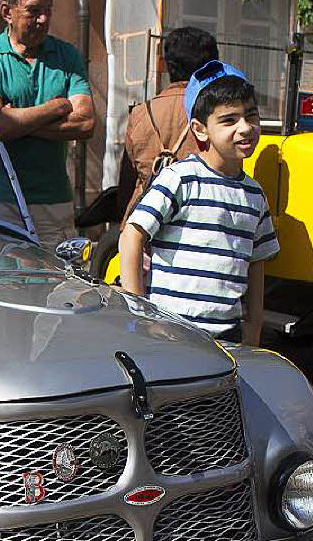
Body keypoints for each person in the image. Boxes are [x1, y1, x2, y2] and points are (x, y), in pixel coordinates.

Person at [118, 60, 278, 345]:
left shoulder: (255, 196)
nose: (245, 128)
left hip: (227, 338)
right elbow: (132, 234)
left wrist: (252, 334)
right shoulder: (180, 178)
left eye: (251, 116)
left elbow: (256, 266)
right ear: (200, 129)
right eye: (229, 120)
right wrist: (137, 310)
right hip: (169, 334)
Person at [0, 0, 95, 248]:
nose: (44, 19)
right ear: (6, 12)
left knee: (56, 283)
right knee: (0, 284)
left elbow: (86, 123)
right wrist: (56, 107)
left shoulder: (67, 56)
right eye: (34, 11)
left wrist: (19, 123)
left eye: (48, 10)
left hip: (52, 198)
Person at [116, 26, 219, 223]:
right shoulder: (217, 114)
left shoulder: (141, 113)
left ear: (164, 64)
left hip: (142, 224)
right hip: (196, 222)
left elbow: (126, 182)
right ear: (213, 67)